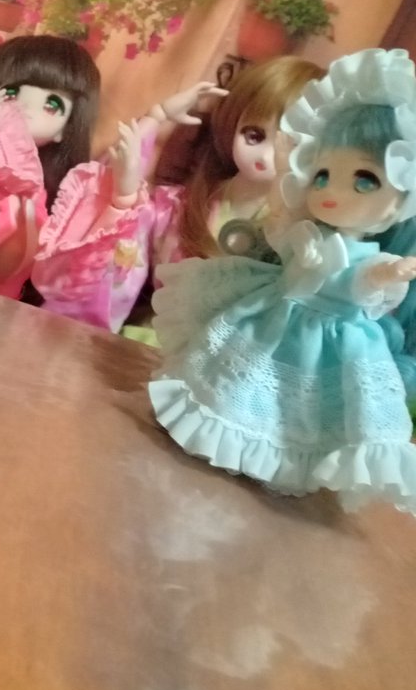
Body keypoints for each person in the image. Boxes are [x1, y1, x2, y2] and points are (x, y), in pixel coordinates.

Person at [149, 48, 416, 512]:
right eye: (323, 174)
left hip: (324, 341)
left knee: (293, 411)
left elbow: (363, 281)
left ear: (399, 202)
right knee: (235, 382)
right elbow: (283, 238)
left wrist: (388, 273)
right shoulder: (303, 229)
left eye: (365, 180)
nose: (331, 192)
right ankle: (221, 437)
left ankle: (272, 460)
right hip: (270, 317)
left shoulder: (361, 256)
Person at [0, 34, 222, 300]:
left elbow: (106, 178)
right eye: (11, 92)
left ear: (65, 129)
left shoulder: (39, 198)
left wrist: (158, 117)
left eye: (52, 104)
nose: (25, 109)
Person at [32, 56, 325, 334]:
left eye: (290, 145)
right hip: (151, 340)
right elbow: (118, 265)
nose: (264, 155)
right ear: (234, 123)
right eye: (254, 135)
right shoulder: (174, 207)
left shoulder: (298, 233)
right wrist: (155, 120)